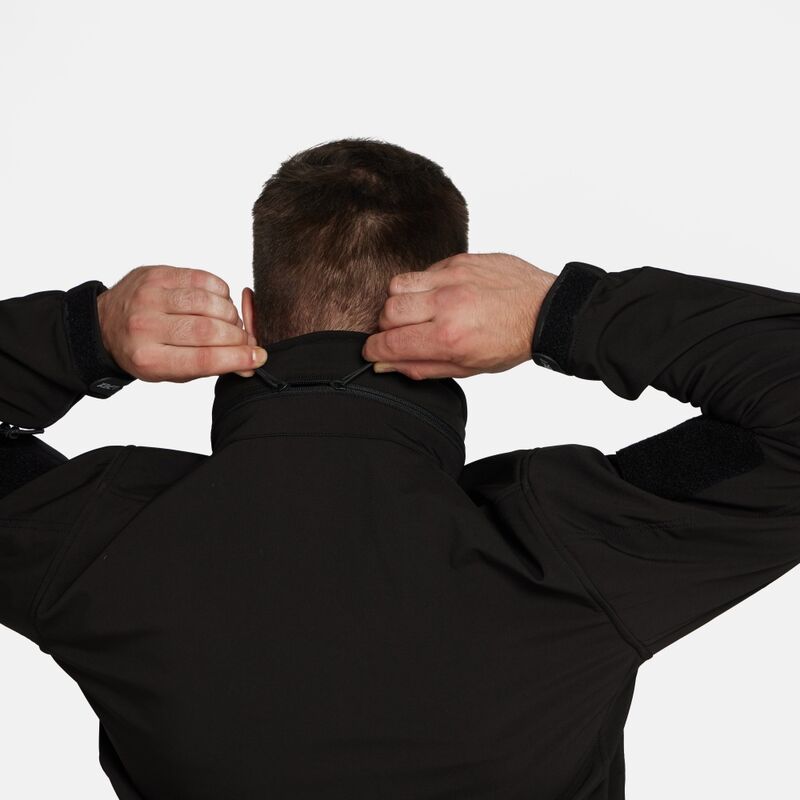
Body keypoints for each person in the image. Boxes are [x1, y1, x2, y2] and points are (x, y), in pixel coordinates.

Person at [0, 138, 797, 800]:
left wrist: (82, 334)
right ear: (459, 317)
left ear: (252, 314)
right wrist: (561, 312)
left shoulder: (103, 544)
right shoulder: (569, 553)